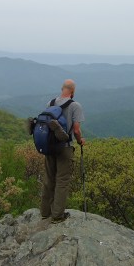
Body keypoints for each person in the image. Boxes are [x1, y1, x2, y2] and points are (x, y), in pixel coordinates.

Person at [41, 78, 85, 224]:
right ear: (73, 91)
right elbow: (77, 130)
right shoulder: (75, 106)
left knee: (49, 179)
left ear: (62, 89)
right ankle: (57, 215)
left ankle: (45, 212)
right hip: (65, 148)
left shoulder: (50, 103)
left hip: (49, 147)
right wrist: (80, 141)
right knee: (62, 181)